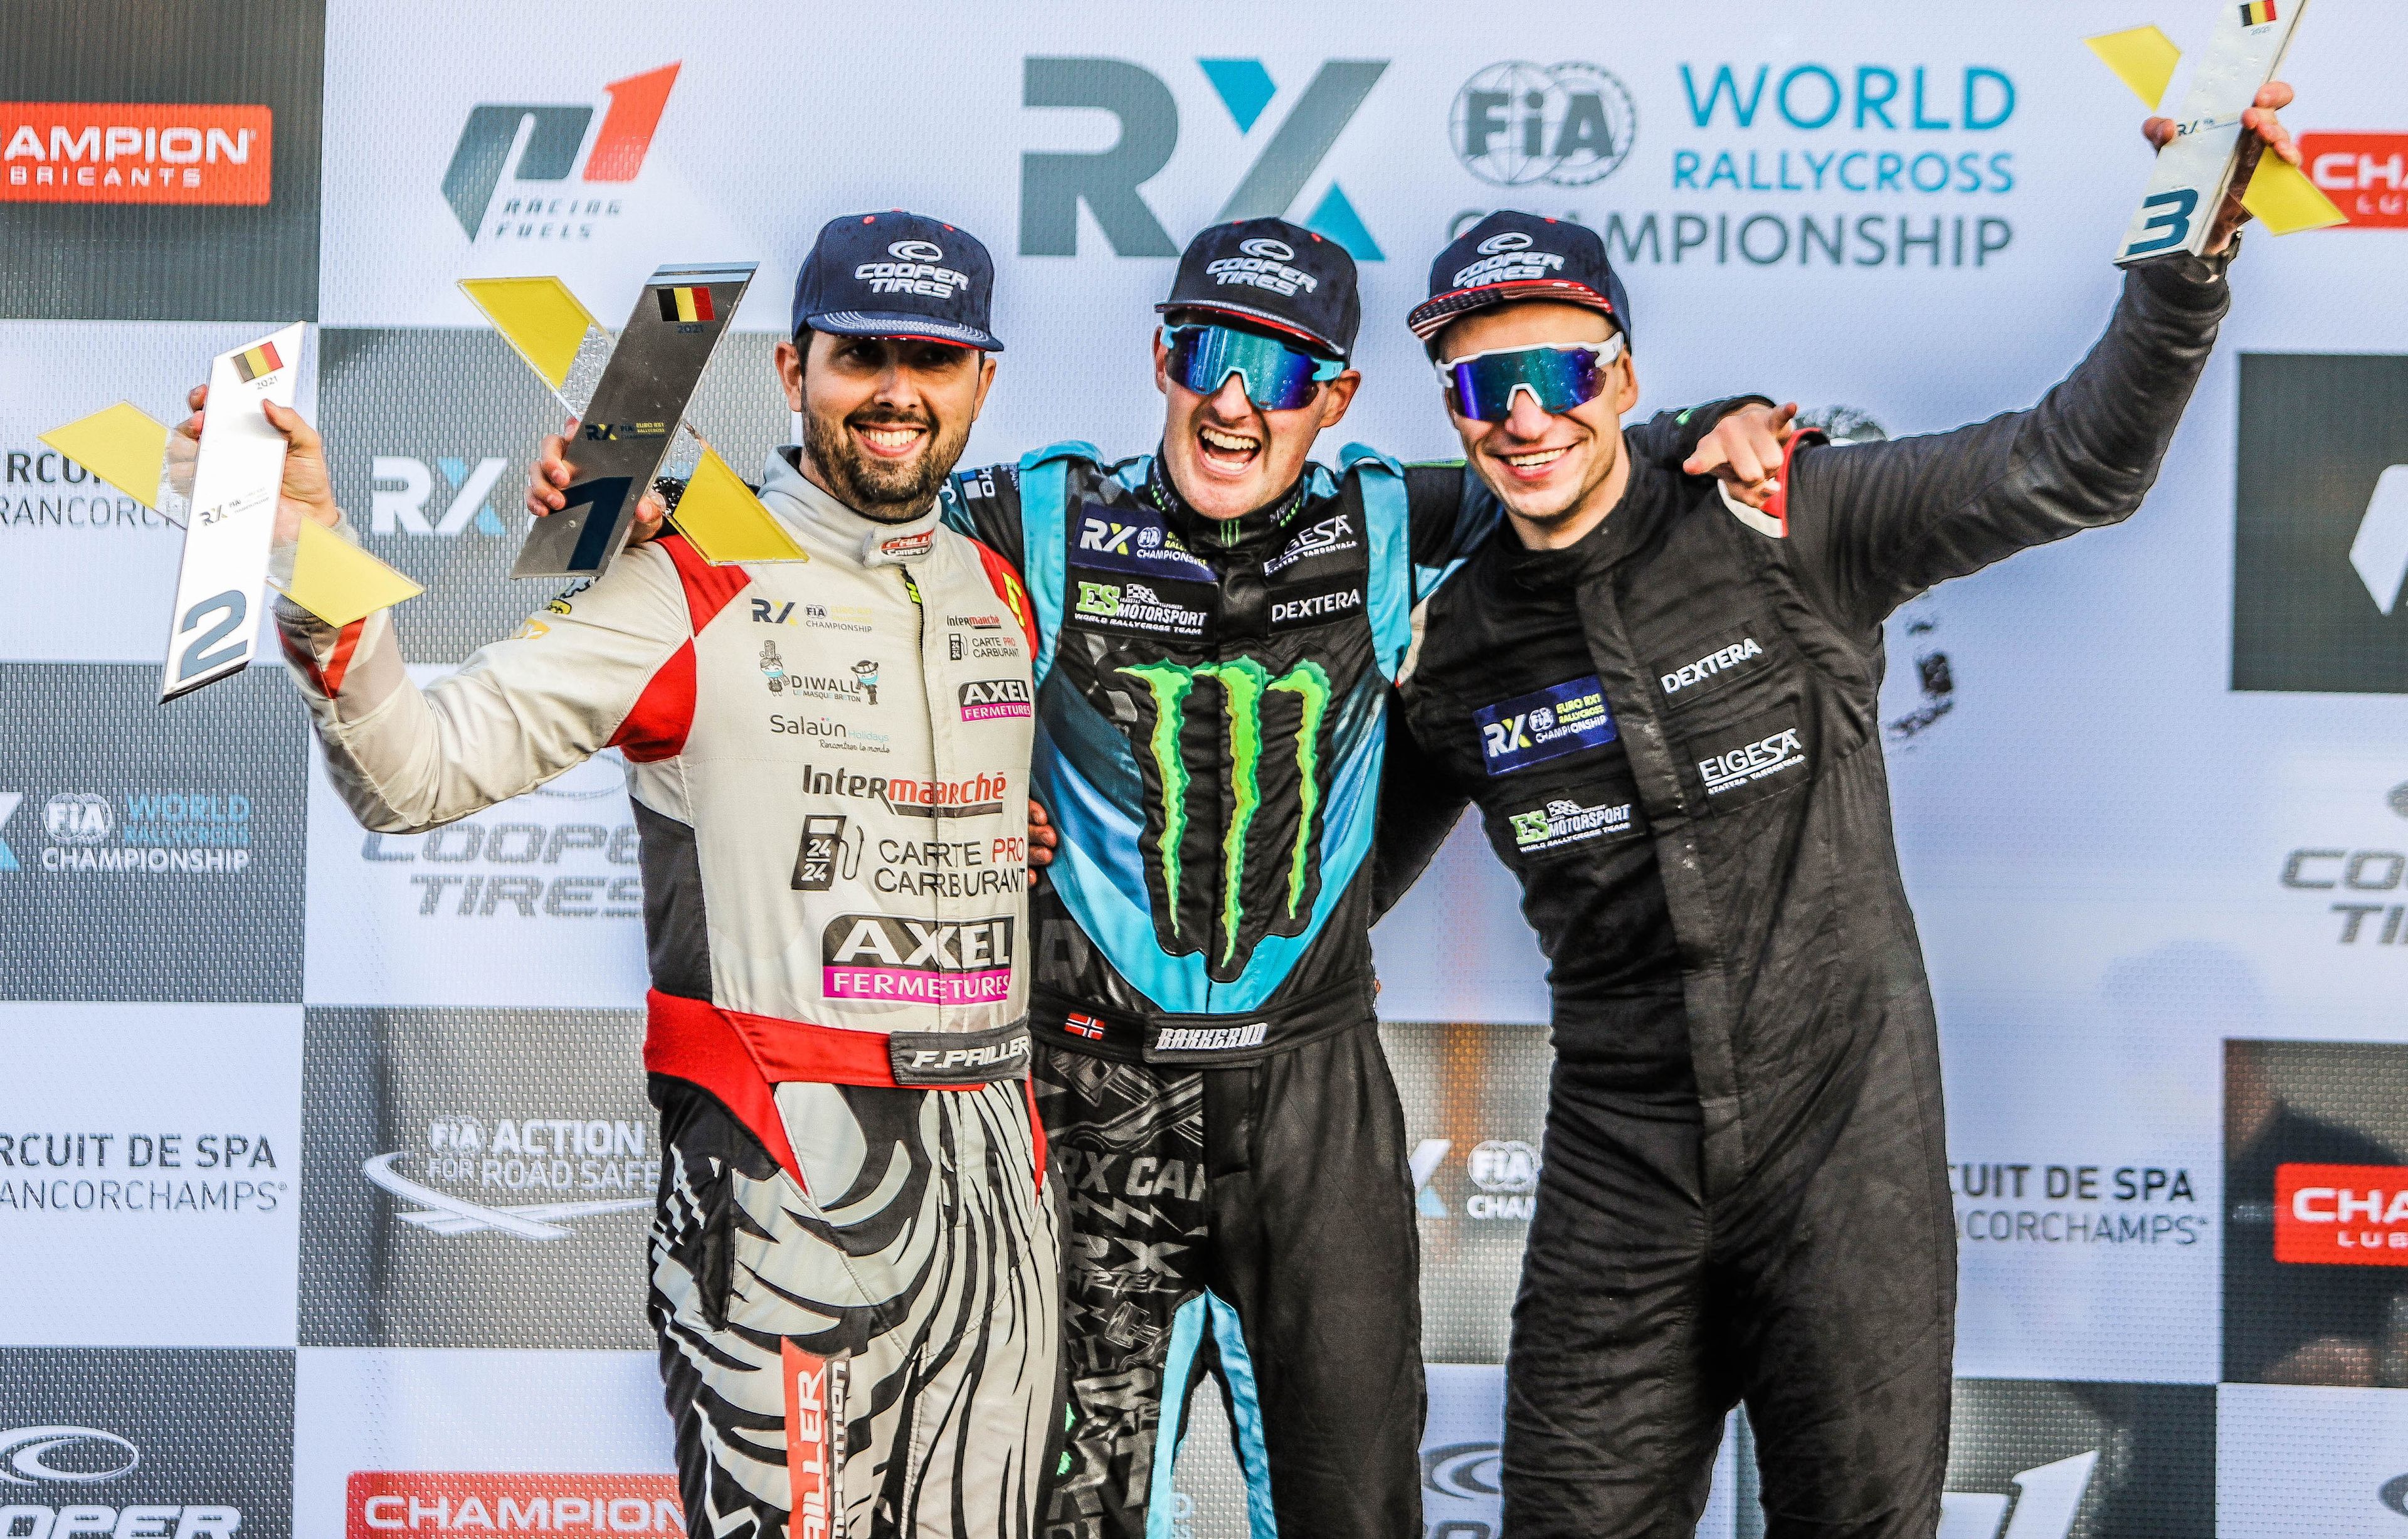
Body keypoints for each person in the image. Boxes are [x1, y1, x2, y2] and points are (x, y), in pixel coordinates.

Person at [532, 214, 1772, 1539]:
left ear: (1337, 398)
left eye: (1283, 370)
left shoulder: (1393, 517)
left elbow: (1581, 459)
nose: (1236, 401)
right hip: (1087, 1091)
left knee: (1359, 1507)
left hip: (1313, 1099)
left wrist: (1729, 418)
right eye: (1208, 353)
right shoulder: (1045, 513)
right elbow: (829, 530)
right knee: (1064, 1512)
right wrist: (624, 501)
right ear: (1163, 359)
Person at [1373, 90, 2303, 1537]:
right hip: (1622, 1175)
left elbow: (2079, 462)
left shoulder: (1782, 517)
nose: (1530, 417)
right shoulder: (1452, 638)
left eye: (1561, 372)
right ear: (1455, 415)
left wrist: (2187, 248)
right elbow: (1322, 891)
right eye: (1491, 391)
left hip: (1846, 1164)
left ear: (1620, 378)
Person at [230, 211, 1061, 1539]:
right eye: (863, 357)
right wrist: (309, 555)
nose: (898, 392)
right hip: (781, 1174)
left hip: (997, 1183)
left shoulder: (997, 591)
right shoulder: (682, 582)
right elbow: (414, 770)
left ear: (981, 382)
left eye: (937, 357)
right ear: (795, 374)